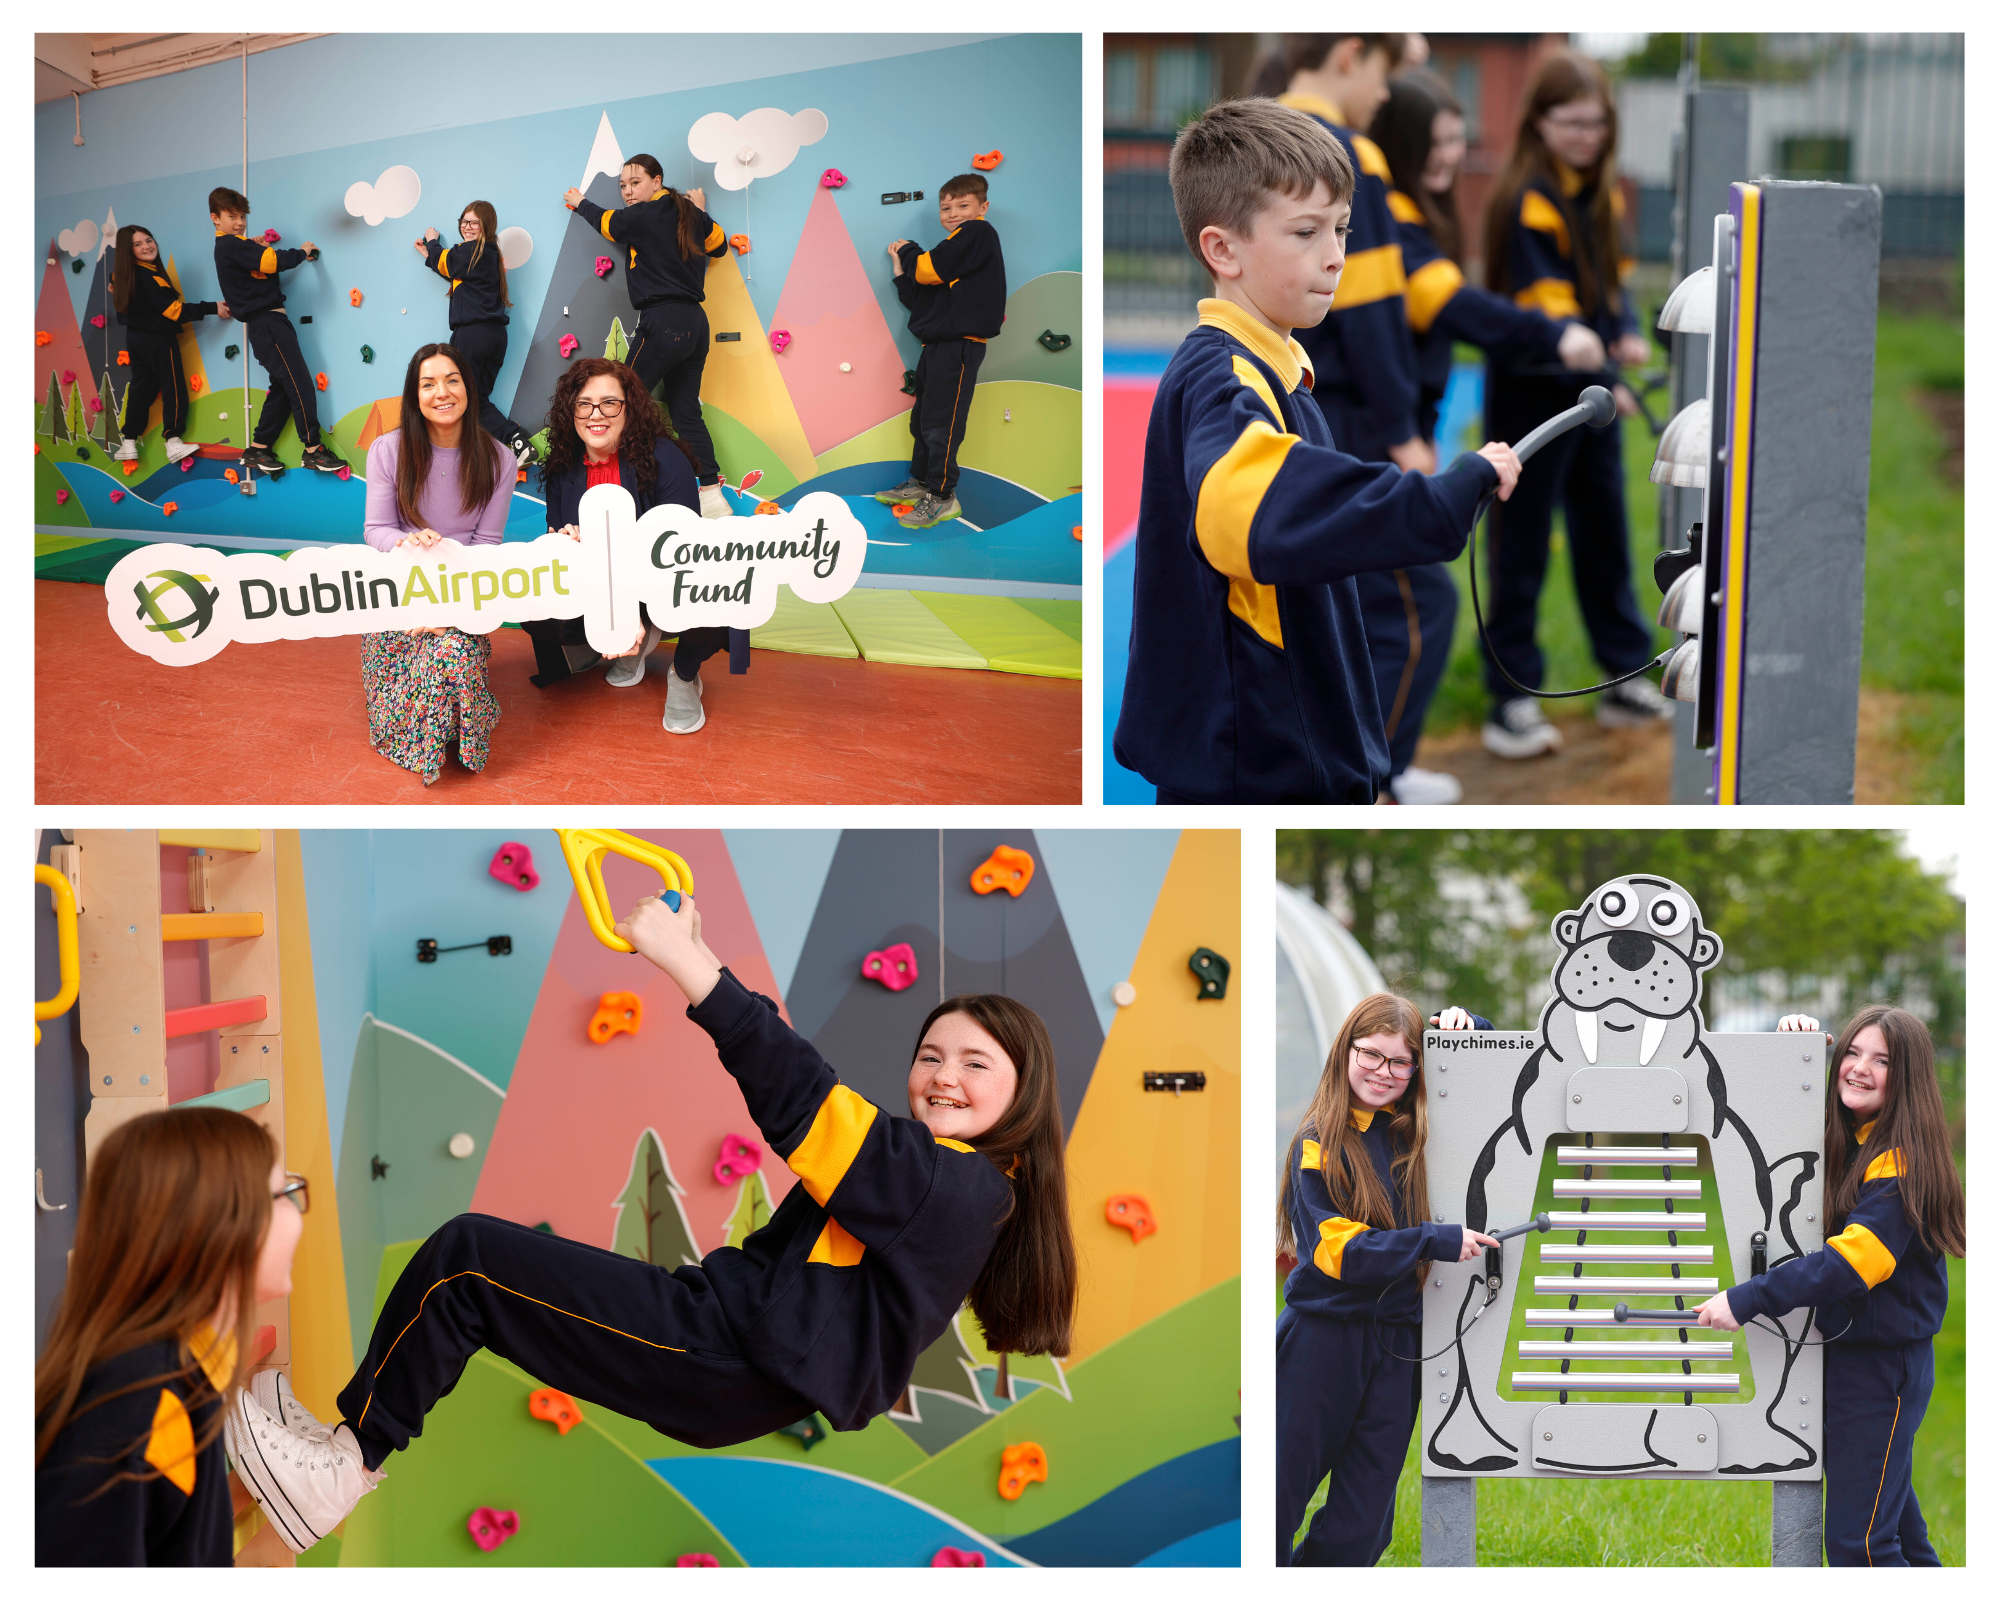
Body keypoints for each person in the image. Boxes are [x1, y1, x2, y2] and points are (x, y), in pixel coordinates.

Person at [223, 888, 1080, 1555]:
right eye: (930, 1055)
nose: (942, 1075)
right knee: (470, 1276)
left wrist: (689, 970)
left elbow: (809, 1103)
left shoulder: (960, 1188)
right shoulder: (945, 1179)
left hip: (727, 1356)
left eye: (975, 1063)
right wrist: (699, 955)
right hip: (723, 1340)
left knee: (464, 1262)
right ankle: (348, 1449)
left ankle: (346, 1464)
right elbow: (822, 1113)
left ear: (1023, 1092)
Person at [1111, 97, 1519, 805]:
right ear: (1222, 249)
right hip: (1257, 769)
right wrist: (1443, 494)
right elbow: (1255, 510)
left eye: (1342, 229)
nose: (1336, 256)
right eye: (1305, 232)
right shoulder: (1223, 377)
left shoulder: (1279, 369)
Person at [1363, 70, 1611, 803]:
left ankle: (1379, 771)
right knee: (1423, 604)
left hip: (1399, 432)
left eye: (1455, 140)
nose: (1448, 156)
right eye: (1434, 143)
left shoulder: (1414, 212)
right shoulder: (1394, 222)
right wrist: (1555, 332)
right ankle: (1376, 776)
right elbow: (1458, 308)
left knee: (1390, 608)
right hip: (1379, 438)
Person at [1696, 1007, 1964, 1567]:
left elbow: (1849, 1263)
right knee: (1903, 1542)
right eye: (1852, 1053)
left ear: (1907, 1078)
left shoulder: (1899, 1165)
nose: (1859, 1068)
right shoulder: (1856, 1140)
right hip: (1858, 1365)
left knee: (1860, 1547)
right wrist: (1794, 1052)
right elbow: (1764, 1124)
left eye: (1882, 1060)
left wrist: (1747, 1298)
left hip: (1881, 1375)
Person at [1477, 50, 1672, 759]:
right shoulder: (1527, 199)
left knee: (1605, 533)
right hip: (1535, 393)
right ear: (1539, 122)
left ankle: (1622, 676)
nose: (1588, 136)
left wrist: (1622, 331)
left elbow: (1612, 285)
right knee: (1521, 549)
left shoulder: (1600, 194)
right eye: (1573, 122)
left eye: (1598, 123)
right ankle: (1509, 700)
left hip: (1592, 397)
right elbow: (1549, 312)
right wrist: (1595, 358)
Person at [36, 1109, 313, 1565]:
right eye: (282, 1193)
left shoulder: (186, 1377)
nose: (298, 1212)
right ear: (215, 1229)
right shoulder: (142, 1411)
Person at [1277, 998, 1495, 1565]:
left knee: (1362, 1528)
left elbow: (1494, 1079)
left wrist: (1468, 1028)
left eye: (1402, 1062)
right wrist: (1433, 1240)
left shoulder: (1417, 1130)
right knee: (1275, 1502)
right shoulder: (1317, 1139)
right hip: (1322, 1340)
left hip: (1401, 1347)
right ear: (1346, 1050)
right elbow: (1338, 1252)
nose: (1383, 1072)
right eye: (1371, 1054)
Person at [531, 357, 749, 733]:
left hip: (661, 581)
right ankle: (622, 638)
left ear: (629, 407)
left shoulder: (666, 459)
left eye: (609, 402)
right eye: (584, 403)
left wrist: (631, 609)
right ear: (571, 410)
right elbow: (558, 550)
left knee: (721, 591)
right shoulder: (562, 468)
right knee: (536, 607)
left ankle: (683, 674)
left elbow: (679, 554)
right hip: (596, 584)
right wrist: (566, 542)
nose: (595, 414)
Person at [359, 343, 512, 783]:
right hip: (401, 596)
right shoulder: (388, 451)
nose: (441, 392)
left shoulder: (499, 458)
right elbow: (376, 529)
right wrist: (408, 542)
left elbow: (486, 544)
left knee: (455, 652)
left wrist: (451, 613)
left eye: (452, 380)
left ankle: (456, 728)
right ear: (415, 395)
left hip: (463, 599)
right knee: (415, 668)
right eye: (428, 384)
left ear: (468, 388)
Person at [563, 157, 731, 519]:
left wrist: (579, 203)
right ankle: (711, 495)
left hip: (664, 318)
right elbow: (718, 245)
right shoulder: (686, 211)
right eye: (623, 186)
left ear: (657, 182)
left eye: (634, 183)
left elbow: (609, 224)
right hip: (695, 324)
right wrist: (699, 211)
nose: (627, 191)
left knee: (618, 399)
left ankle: (620, 486)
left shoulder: (645, 214)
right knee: (685, 411)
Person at [878, 174, 1007, 531]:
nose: (953, 213)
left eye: (962, 205)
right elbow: (921, 299)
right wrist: (902, 272)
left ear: (982, 207)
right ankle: (921, 483)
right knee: (923, 421)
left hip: (960, 346)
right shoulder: (954, 256)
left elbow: (928, 269)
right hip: (936, 346)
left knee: (943, 424)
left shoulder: (978, 233)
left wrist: (909, 251)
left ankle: (942, 495)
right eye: (946, 208)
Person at [208, 186, 345, 478]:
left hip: (267, 325)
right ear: (215, 219)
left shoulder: (236, 246)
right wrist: (303, 252)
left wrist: (254, 247)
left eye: (242, 216)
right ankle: (313, 450)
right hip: (267, 323)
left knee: (284, 387)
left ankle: (258, 448)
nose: (240, 222)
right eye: (232, 216)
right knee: (300, 382)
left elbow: (258, 266)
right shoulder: (232, 245)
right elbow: (273, 262)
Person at [416, 199, 531, 464]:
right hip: (495, 337)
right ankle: (517, 442)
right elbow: (456, 274)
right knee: (474, 399)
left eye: (474, 223)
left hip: (472, 334)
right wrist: (429, 256)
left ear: (486, 226)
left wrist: (432, 242)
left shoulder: (471, 251)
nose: (467, 227)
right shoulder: (489, 255)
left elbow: (447, 261)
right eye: (464, 221)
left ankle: (447, 452)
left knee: (461, 397)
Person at [109, 224, 229, 467]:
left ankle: (129, 441)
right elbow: (174, 311)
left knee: (142, 388)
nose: (147, 246)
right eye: (138, 244)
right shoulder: (148, 276)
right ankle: (173, 440)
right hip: (158, 339)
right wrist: (212, 307)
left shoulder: (122, 276)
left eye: (149, 240)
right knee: (172, 386)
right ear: (128, 251)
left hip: (135, 339)